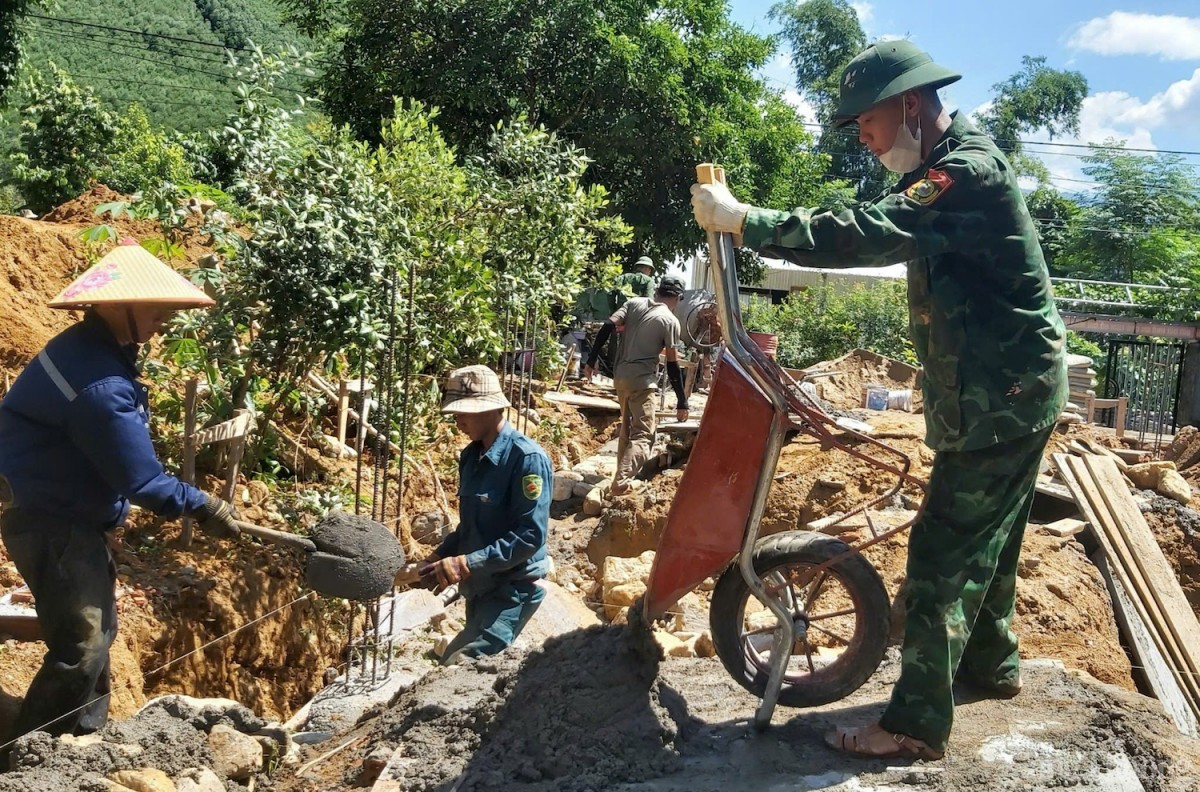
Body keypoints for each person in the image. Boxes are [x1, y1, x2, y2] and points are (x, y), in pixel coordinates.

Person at [691, 40, 1066, 760]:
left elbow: (874, 231)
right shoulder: (945, 167)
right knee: (992, 542)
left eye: (867, 123)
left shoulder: (965, 173)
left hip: (1001, 398)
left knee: (940, 557)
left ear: (911, 106)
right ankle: (992, 666)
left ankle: (915, 727)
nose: (863, 140)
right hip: (1005, 392)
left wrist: (747, 220)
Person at [0, 241, 243, 741]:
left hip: (64, 514)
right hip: (52, 521)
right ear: (118, 307)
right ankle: (29, 754)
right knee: (82, 644)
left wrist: (109, 516)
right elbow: (143, 481)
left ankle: (85, 740)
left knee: (97, 635)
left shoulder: (92, 351)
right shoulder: (100, 383)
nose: (164, 322)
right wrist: (206, 506)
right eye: (157, 311)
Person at [420, 365, 553, 663]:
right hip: (480, 588)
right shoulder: (471, 457)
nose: (458, 420)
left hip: (513, 590)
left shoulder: (526, 459)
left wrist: (467, 562)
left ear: (491, 409)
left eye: (465, 412)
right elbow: (470, 527)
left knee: (458, 665)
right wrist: (437, 557)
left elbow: (530, 535)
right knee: (464, 670)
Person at [584, 277, 691, 495]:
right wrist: (682, 400)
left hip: (620, 378)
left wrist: (591, 360)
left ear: (658, 291)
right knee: (644, 435)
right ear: (678, 298)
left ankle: (619, 477)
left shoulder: (633, 304)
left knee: (627, 430)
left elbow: (607, 326)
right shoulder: (669, 321)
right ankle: (622, 482)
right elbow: (672, 364)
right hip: (642, 382)